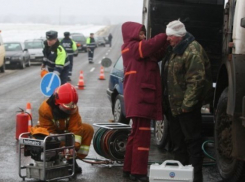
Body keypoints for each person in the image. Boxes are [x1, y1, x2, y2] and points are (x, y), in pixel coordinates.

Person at [161, 20, 212, 182]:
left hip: (186, 110)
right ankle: (180, 177)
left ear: (179, 36)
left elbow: (196, 81)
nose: (167, 39)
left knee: (192, 145)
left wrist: (187, 106)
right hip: (174, 108)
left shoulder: (192, 50)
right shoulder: (174, 50)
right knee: (178, 145)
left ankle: (195, 178)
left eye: (170, 36)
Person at [121, 21, 168, 182]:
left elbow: (157, 52)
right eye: (141, 34)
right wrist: (165, 34)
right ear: (132, 34)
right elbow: (150, 46)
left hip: (140, 100)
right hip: (141, 100)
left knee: (135, 134)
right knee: (142, 137)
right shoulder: (132, 47)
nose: (143, 36)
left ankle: (128, 169)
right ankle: (138, 172)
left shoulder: (139, 51)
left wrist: (166, 42)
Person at [38, 83, 94, 174]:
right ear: (56, 102)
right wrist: (62, 147)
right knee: (50, 140)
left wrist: (73, 147)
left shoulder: (72, 107)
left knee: (88, 129)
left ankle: (72, 160)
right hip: (53, 134)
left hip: (66, 132)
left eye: (71, 109)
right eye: (66, 109)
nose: (69, 111)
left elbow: (76, 128)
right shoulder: (45, 109)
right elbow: (48, 132)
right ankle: (54, 159)